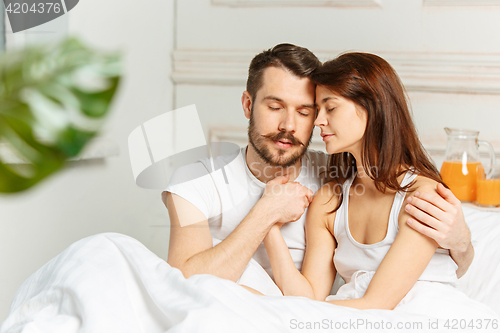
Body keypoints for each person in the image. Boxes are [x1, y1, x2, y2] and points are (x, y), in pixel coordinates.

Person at [162, 44, 473, 296]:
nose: (288, 125)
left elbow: (433, 267)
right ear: (247, 105)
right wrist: (266, 211)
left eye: (305, 111)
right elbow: (182, 285)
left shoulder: (337, 177)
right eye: (274, 107)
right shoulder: (196, 180)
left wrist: (461, 243)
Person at [263, 52, 485, 312]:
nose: (317, 121)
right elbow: (308, 297)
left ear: (372, 107)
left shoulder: (421, 196)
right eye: (317, 109)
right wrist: (269, 224)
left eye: (330, 108)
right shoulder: (328, 201)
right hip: (354, 318)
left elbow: (377, 305)